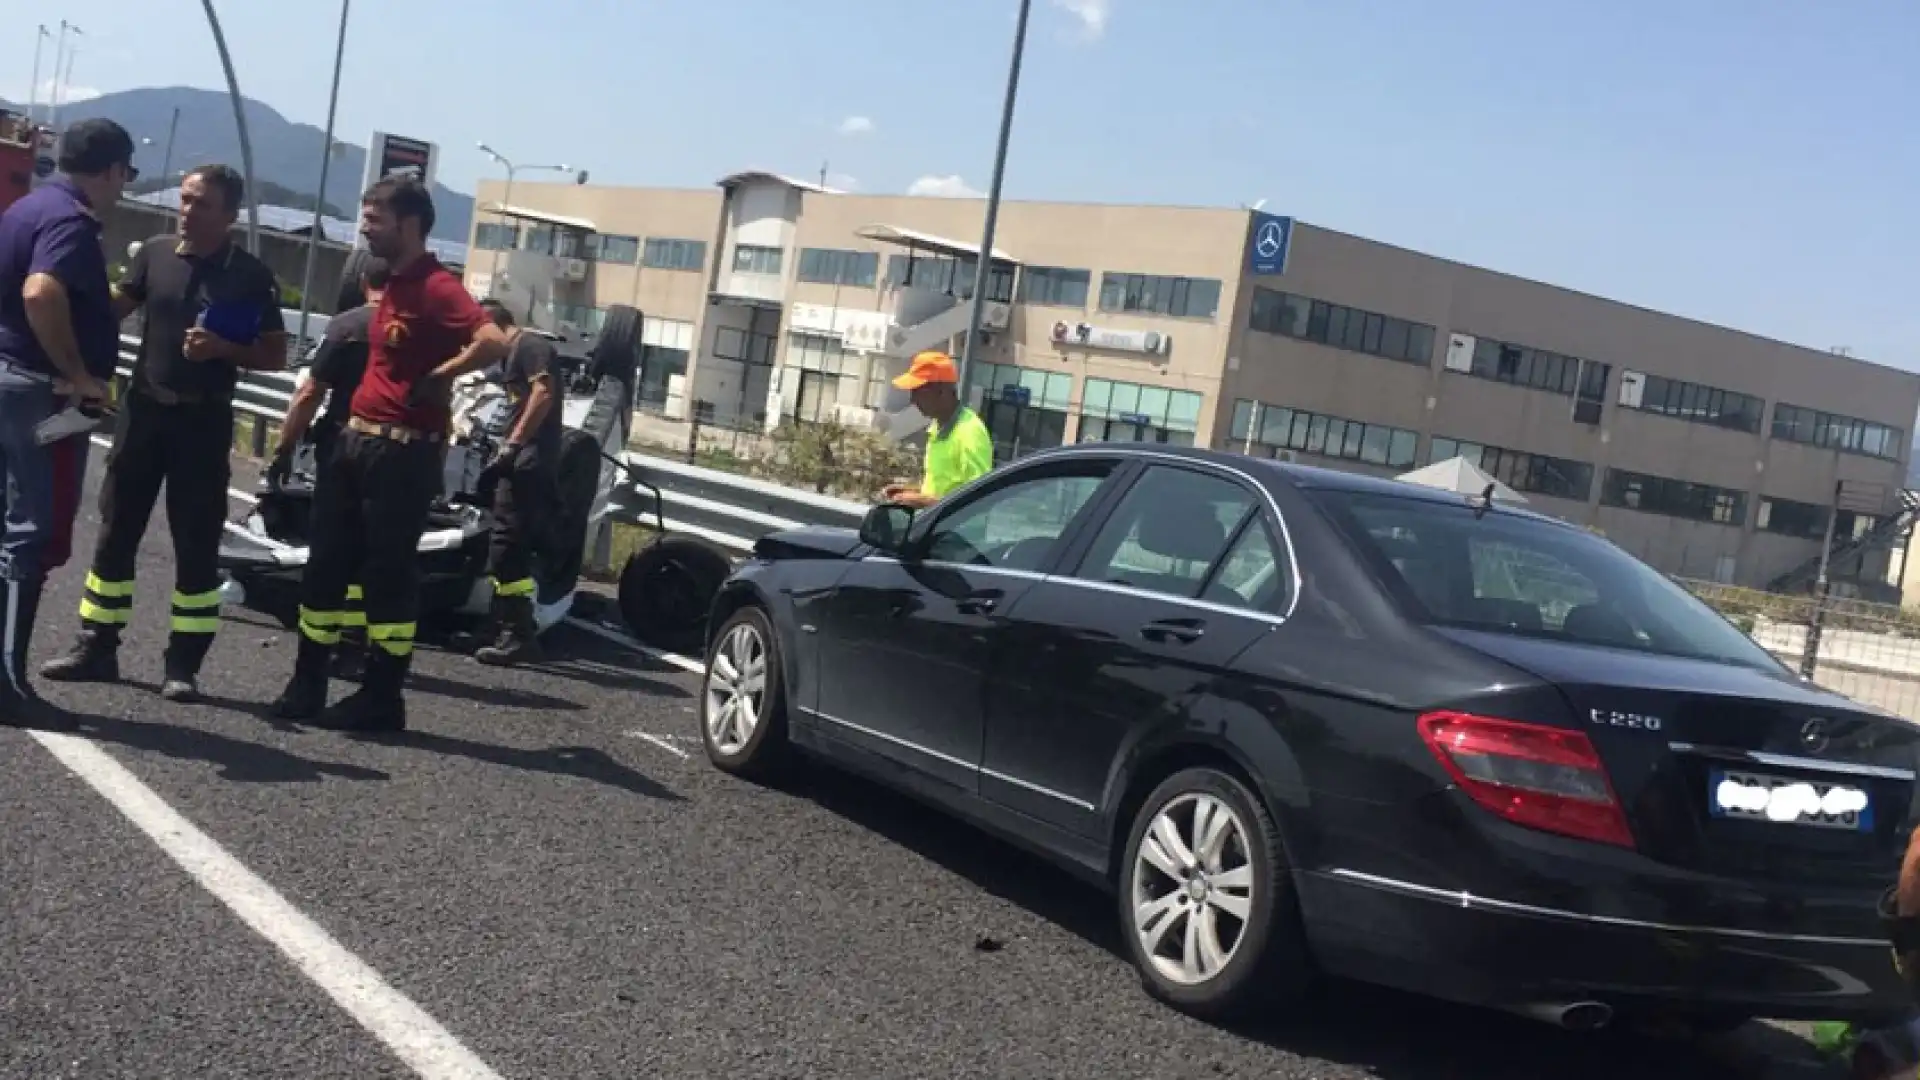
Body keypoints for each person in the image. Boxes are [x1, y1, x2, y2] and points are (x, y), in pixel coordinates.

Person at [41, 164, 289, 702]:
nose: (187, 210)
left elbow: (276, 354)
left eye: (201, 203)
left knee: (196, 543)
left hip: (203, 422)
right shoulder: (154, 253)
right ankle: (97, 645)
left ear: (228, 215)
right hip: (143, 414)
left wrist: (225, 350)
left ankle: (183, 663)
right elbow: (113, 309)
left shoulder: (249, 276)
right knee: (116, 531)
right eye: (184, 199)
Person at [271, 176, 507, 731]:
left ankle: (382, 696)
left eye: (374, 217)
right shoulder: (393, 285)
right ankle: (308, 683)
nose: (364, 227)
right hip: (354, 441)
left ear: (407, 224)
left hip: (402, 454)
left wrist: (443, 375)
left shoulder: (435, 285)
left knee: (388, 575)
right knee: (325, 567)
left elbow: (494, 340)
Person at [0, 119, 131, 727]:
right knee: (33, 530)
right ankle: (6, 682)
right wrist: (78, 374)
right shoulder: (71, 222)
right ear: (108, 171)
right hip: (40, 396)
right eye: (124, 176)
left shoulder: (26, 209)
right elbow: (39, 291)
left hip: (9, 380)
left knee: (10, 524)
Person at [267, 258, 391, 674]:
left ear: (361, 282)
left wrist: (283, 448)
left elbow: (309, 394)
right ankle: (362, 645)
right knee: (375, 552)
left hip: (345, 449)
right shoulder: (418, 332)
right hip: (398, 454)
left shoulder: (347, 327)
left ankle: (322, 649)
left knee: (333, 551)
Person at [466, 299, 563, 666]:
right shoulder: (509, 359)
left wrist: (513, 444)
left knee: (508, 546)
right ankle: (499, 624)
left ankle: (518, 633)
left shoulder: (530, 346)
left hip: (529, 461)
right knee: (500, 542)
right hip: (520, 457)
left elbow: (543, 392)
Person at [879, 350, 993, 509]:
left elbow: (979, 500)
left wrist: (924, 503)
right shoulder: (936, 429)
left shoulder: (970, 432)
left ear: (941, 391)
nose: (913, 400)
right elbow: (945, 490)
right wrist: (913, 494)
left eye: (918, 392)